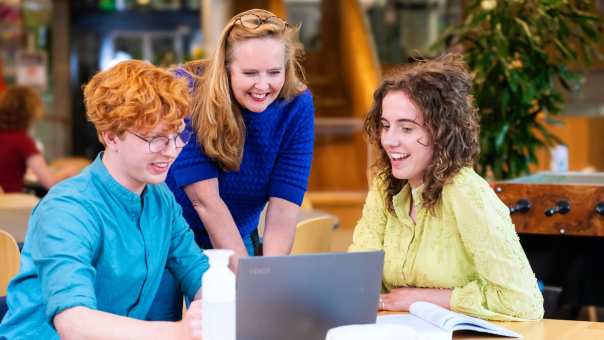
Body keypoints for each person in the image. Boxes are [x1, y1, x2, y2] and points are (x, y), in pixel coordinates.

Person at [0, 60, 206, 339]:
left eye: (177, 135)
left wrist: (221, 302)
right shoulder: (67, 209)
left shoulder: (160, 199)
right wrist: (180, 331)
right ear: (111, 137)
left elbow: (196, 269)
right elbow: (73, 323)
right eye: (155, 139)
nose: (171, 151)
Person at [349, 54, 544, 321]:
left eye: (406, 128)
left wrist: (423, 298)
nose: (389, 140)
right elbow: (359, 277)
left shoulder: (465, 191)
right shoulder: (385, 186)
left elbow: (523, 301)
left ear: (441, 132)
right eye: (385, 126)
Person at [167, 8, 314, 266]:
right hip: (170, 233)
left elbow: (283, 208)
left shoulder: (296, 105)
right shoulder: (189, 91)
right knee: (168, 308)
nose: (262, 85)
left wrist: (266, 276)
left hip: (237, 232)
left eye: (273, 72)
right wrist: (248, 280)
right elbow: (206, 201)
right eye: (250, 73)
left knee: (247, 301)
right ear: (226, 68)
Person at [0, 86, 75, 193]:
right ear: (29, 112)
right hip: (11, 203)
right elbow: (50, 183)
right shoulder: (22, 141)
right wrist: (67, 173)